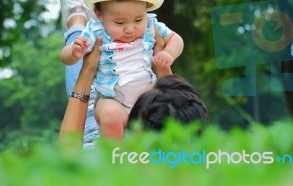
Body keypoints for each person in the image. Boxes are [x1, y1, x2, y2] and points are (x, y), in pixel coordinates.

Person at [60, 0, 184, 140]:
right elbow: (64, 56)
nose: (130, 29)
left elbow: (176, 39)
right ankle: (115, 157)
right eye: (119, 22)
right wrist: (74, 51)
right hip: (111, 99)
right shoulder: (96, 31)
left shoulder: (151, 25)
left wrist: (169, 54)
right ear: (99, 15)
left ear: (146, 10)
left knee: (162, 113)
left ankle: (82, 10)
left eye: (138, 19)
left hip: (147, 98)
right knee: (112, 115)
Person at [59, 33, 209, 146]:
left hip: (102, 115)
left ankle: (76, 16)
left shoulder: (104, 168)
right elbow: (176, 114)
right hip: (114, 101)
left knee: (82, 67)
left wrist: (88, 70)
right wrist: (163, 67)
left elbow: (68, 151)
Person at [58, 0, 116, 147]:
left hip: (90, 129)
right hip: (130, 110)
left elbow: (64, 56)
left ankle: (75, 20)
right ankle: (108, 12)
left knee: (87, 101)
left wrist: (74, 53)